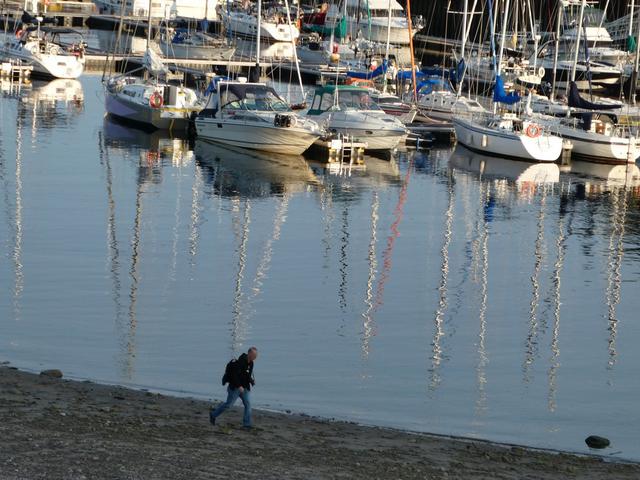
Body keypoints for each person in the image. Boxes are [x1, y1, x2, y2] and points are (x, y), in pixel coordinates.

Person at [209, 347, 258, 428]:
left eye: (256, 355)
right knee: (228, 405)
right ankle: (213, 414)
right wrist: (239, 386)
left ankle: (247, 425)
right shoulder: (241, 361)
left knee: (248, 404)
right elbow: (234, 376)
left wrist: (251, 381)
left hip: (245, 387)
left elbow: (247, 375)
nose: (255, 357)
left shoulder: (251, 363)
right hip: (235, 387)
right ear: (249, 354)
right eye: (254, 355)